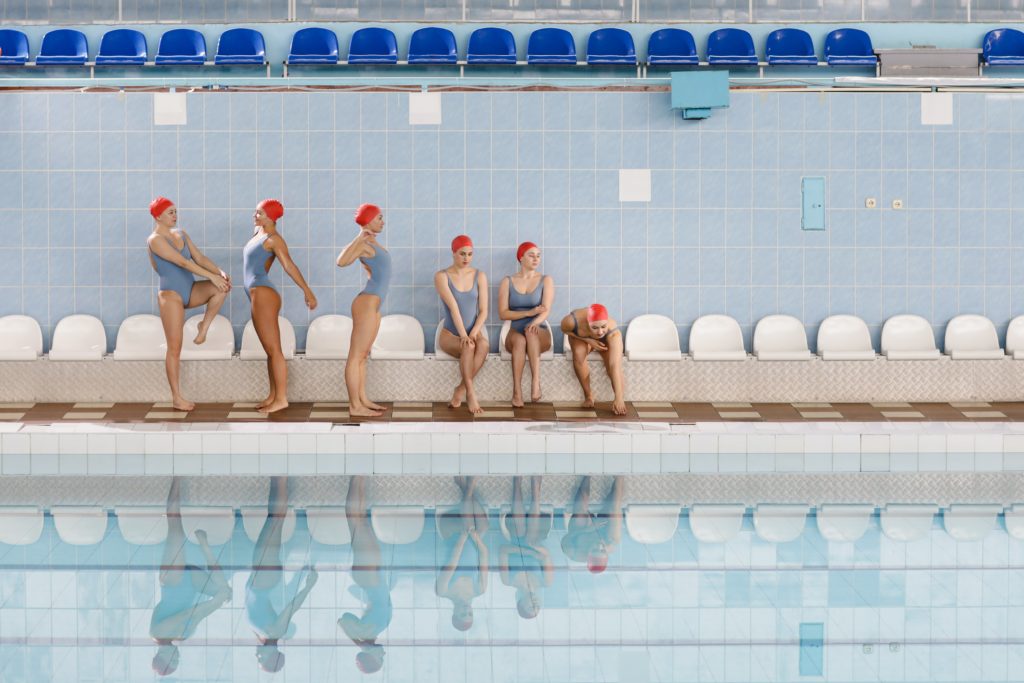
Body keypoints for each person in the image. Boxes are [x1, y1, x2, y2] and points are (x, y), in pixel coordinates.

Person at [146, 197, 231, 411]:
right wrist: (211, 277)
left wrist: (219, 273)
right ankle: (177, 397)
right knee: (175, 348)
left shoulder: (181, 234)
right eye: (170, 212)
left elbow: (199, 258)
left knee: (222, 289)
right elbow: (183, 262)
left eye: (175, 211)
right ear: (158, 216)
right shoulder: (155, 239)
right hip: (171, 295)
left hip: (190, 290)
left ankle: (204, 325)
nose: (175, 215)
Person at [150, 478, 232, 677]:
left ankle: (177, 478)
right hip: (193, 584)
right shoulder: (184, 636)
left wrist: (215, 602)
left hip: (173, 580)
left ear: (162, 656)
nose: (178, 656)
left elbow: (187, 614)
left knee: (174, 524)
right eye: (178, 660)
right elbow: (200, 614)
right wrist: (219, 601)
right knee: (226, 591)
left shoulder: (157, 634)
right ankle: (204, 546)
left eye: (174, 659)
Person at [243, 199, 317, 414]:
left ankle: (282, 398)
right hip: (256, 292)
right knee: (269, 350)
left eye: (260, 213)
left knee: (275, 350)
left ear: (272, 217)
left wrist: (307, 291)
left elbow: (289, 265)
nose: (255, 216)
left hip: (264, 293)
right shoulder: (259, 233)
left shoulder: (274, 239)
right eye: (256, 212)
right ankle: (273, 395)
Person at [246, 477, 318, 674]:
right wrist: (308, 585)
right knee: (275, 521)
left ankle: (276, 479)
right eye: (262, 659)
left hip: (261, 576)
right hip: (265, 576)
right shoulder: (277, 632)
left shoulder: (262, 636)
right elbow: (291, 607)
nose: (257, 655)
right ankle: (281, 479)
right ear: (274, 654)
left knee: (273, 521)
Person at [336, 204, 390, 418]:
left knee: (363, 356)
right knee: (355, 355)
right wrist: (359, 238)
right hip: (366, 303)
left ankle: (363, 399)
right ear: (367, 221)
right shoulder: (364, 242)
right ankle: (354, 406)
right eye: (379, 218)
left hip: (374, 304)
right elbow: (341, 262)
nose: (382, 221)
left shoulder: (373, 241)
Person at [339, 476, 392, 674]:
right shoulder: (372, 631)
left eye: (380, 658)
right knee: (360, 520)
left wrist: (359, 644)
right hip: (372, 573)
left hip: (368, 574)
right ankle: (358, 475)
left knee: (355, 522)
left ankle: (355, 477)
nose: (383, 654)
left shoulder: (364, 633)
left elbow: (342, 619)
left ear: (371, 656)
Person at [435, 235, 489, 415]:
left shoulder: (479, 276)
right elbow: (454, 308)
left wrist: (473, 332)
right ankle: (471, 393)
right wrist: (464, 336)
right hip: (450, 334)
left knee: (483, 345)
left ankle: (460, 389)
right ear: (453, 253)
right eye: (462, 254)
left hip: (474, 332)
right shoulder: (442, 276)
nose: (466, 258)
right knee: (468, 347)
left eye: (470, 254)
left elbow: (483, 311)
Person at [498, 242, 554, 407]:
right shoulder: (507, 281)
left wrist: (533, 322)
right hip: (514, 330)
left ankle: (535, 382)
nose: (536, 258)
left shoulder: (546, 280)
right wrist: (528, 313)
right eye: (531, 255)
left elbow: (545, 310)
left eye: (538, 255)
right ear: (521, 257)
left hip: (539, 330)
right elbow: (503, 313)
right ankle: (517, 391)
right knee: (521, 340)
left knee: (531, 332)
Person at [435, 477, 490, 631]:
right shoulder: (479, 590)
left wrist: (464, 537)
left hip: (450, 533)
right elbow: (484, 555)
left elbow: (451, 564)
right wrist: (474, 537)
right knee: (484, 527)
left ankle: (468, 486)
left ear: (454, 613)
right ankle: (465, 488)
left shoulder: (443, 591)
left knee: (470, 524)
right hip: (472, 537)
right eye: (470, 613)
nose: (467, 610)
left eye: (462, 614)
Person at [498, 476, 553, 620]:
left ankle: (518, 483)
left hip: (516, 540)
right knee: (531, 536)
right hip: (535, 542)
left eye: (531, 607)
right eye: (537, 607)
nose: (535, 604)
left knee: (520, 531)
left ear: (521, 603)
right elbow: (546, 556)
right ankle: (536, 491)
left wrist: (527, 550)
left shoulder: (508, 581)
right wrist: (535, 548)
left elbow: (503, 551)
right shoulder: (545, 582)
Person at [560, 304, 627, 415]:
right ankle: (589, 396)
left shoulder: (612, 332)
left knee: (613, 367)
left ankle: (619, 399)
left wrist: (618, 398)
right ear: (587, 323)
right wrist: (588, 340)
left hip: (606, 340)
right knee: (578, 354)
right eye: (595, 328)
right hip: (582, 337)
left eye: (603, 327)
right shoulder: (572, 321)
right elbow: (565, 329)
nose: (600, 332)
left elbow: (615, 365)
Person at [560, 476, 624, 574]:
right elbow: (616, 508)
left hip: (584, 526)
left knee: (580, 511)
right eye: (603, 551)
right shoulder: (612, 541)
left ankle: (587, 475)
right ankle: (618, 477)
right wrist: (620, 478)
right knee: (614, 509)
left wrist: (589, 529)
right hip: (602, 522)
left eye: (595, 550)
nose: (599, 546)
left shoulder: (575, 554)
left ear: (588, 554)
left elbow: (565, 538)